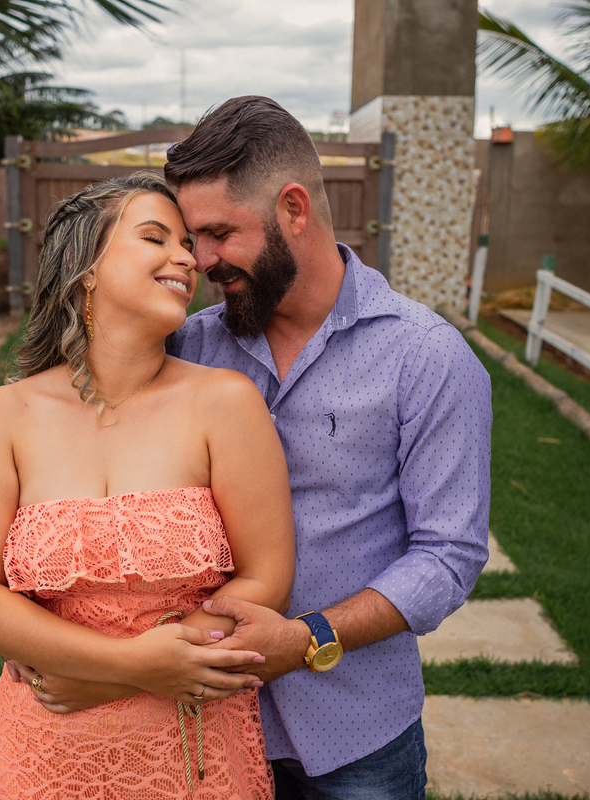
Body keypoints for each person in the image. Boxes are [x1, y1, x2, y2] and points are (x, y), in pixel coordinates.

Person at [160, 96, 493, 799]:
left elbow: (448, 555)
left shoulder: (426, 358)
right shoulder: (188, 348)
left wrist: (308, 638)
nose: (203, 261)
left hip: (361, 735)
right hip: (205, 727)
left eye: (220, 233)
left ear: (294, 209)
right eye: (195, 238)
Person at [0, 172, 296, 799]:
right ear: (86, 269)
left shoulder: (225, 404)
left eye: (187, 244)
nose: (186, 258)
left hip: (192, 745)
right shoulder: (3, 417)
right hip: (43, 750)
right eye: (155, 237)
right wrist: (135, 666)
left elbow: (267, 577)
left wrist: (118, 679)